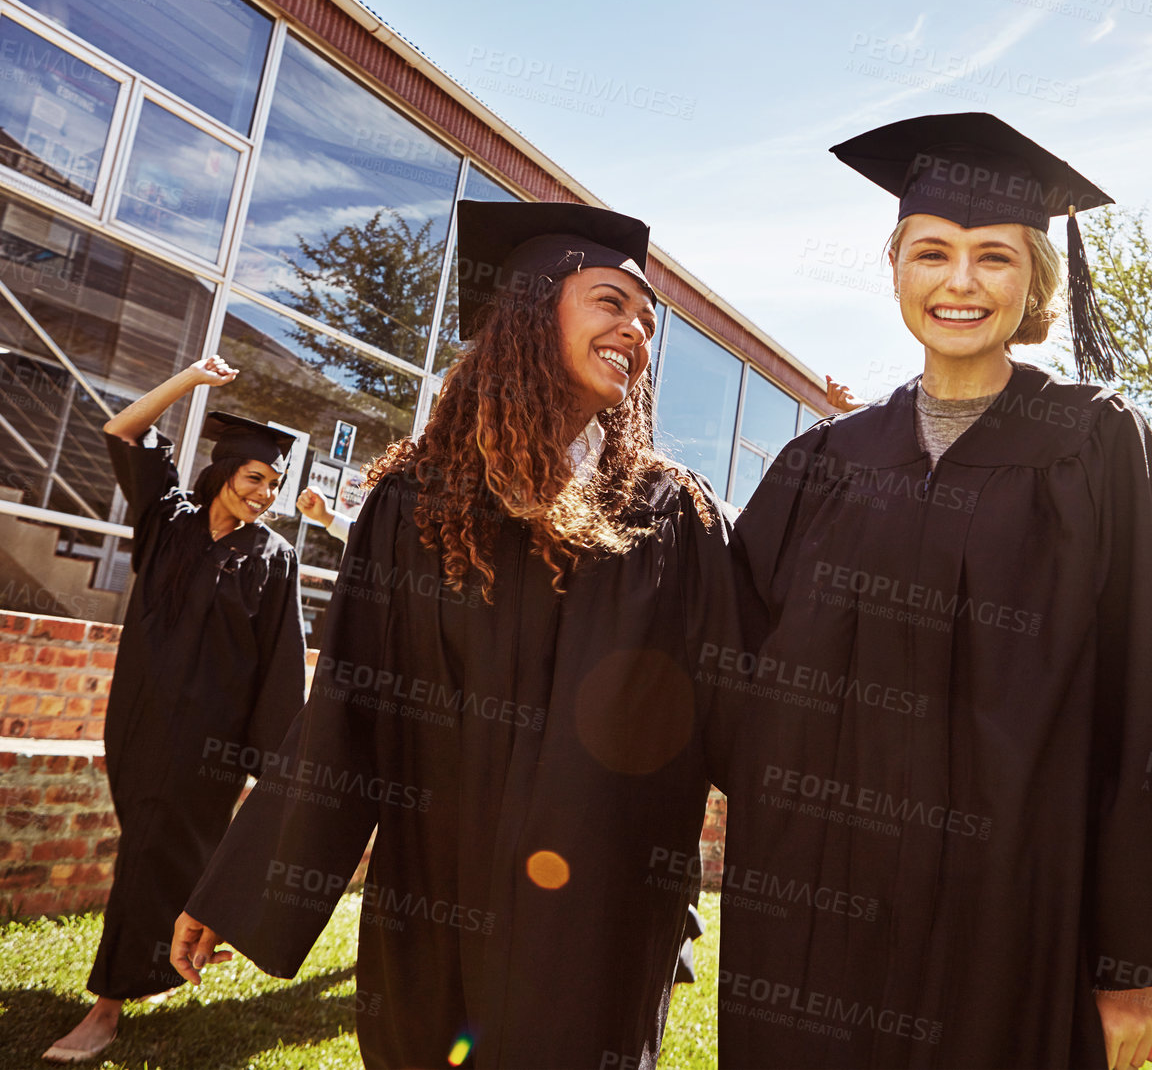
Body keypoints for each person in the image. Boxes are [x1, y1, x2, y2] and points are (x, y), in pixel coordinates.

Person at [710, 112, 1152, 1069]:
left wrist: (1125, 966)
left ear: (1035, 279)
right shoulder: (820, 465)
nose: (959, 281)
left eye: (993, 256)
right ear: (897, 268)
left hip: (1018, 933)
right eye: (932, 252)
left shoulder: (1094, 446)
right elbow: (718, 665)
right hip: (817, 933)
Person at [170, 202, 736, 1069]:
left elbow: (734, 710)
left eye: (645, 319)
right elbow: (349, 707)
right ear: (530, 315)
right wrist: (243, 885)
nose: (636, 332)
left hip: (598, 919)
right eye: (610, 303)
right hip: (432, 896)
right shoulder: (416, 506)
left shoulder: (670, 515)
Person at [43, 362, 307, 1064]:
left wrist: (272, 765)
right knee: (152, 846)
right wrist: (190, 379)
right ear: (222, 471)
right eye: (255, 478)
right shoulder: (168, 522)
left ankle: (105, 1009)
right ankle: (168, 954)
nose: (265, 495)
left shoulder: (272, 557)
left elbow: (280, 664)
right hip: (135, 721)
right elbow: (122, 430)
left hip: (208, 745)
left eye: (274, 485)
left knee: (149, 850)